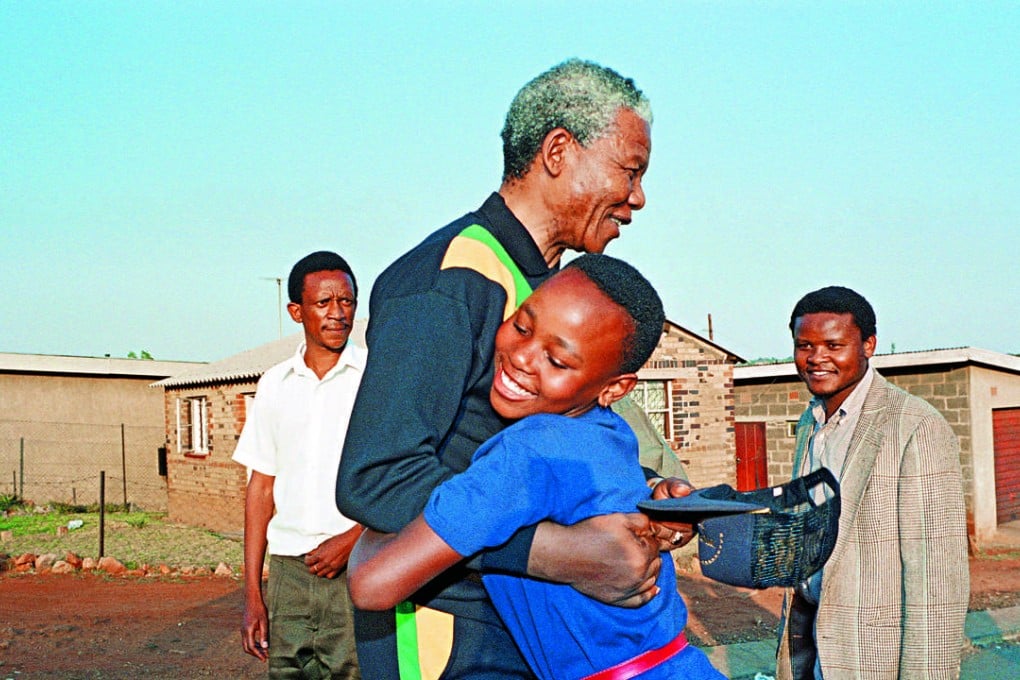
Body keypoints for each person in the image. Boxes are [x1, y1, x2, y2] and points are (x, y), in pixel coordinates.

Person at [337, 59, 694, 679]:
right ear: (559, 151)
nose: (638, 197)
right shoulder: (452, 280)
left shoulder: (555, 292)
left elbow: (539, 454)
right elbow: (375, 478)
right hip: (448, 639)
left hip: (526, 635)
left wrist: (639, 500)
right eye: (630, 170)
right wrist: (555, 552)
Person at [348, 254, 722, 680]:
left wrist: (376, 518)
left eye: (558, 361)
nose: (523, 357)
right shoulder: (611, 432)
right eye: (522, 327)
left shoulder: (525, 452)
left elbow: (371, 585)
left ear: (614, 388)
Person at [776, 286, 969, 679]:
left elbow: (937, 583)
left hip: (874, 657)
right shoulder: (809, 423)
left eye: (834, 345)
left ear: (868, 345)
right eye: (804, 345)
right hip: (812, 648)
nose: (816, 359)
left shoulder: (915, 426)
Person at [233, 251, 366, 679]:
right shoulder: (274, 384)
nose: (337, 313)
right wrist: (254, 593)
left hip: (355, 566)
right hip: (289, 575)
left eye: (346, 301)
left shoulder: (374, 377)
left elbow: (400, 478)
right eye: (323, 302)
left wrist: (354, 538)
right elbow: (261, 488)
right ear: (296, 311)